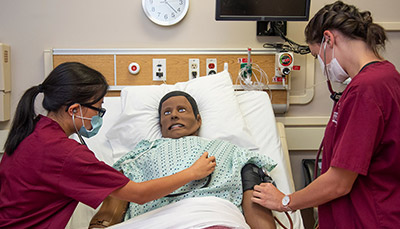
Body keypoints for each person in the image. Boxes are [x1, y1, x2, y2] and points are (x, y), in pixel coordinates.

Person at [0, 62, 216, 228]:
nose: (100, 115)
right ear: (74, 110)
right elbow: (139, 194)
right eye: (98, 108)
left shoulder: (33, 130)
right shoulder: (67, 154)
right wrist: (192, 173)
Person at [251, 1, 400, 228]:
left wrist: (284, 201)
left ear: (328, 39)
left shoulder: (366, 89)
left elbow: (339, 182)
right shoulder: (387, 75)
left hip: (368, 218)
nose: (322, 65)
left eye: (315, 55)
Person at [91, 91, 277, 229]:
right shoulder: (138, 155)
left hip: (210, 218)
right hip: (151, 221)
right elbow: (111, 206)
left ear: (198, 120)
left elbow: (256, 204)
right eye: (166, 113)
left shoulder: (233, 152)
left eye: (182, 110)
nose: (173, 115)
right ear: (161, 124)